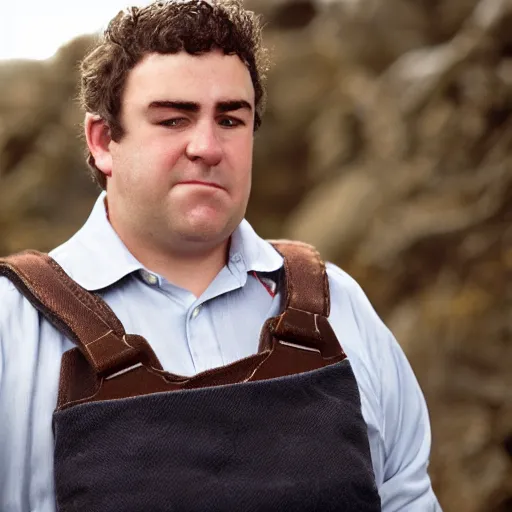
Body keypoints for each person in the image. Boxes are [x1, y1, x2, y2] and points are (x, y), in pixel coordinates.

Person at [0, 0, 442, 510]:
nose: (207, 147)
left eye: (231, 120)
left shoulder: (339, 307)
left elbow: (408, 498)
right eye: (173, 120)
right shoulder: (14, 330)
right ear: (102, 142)